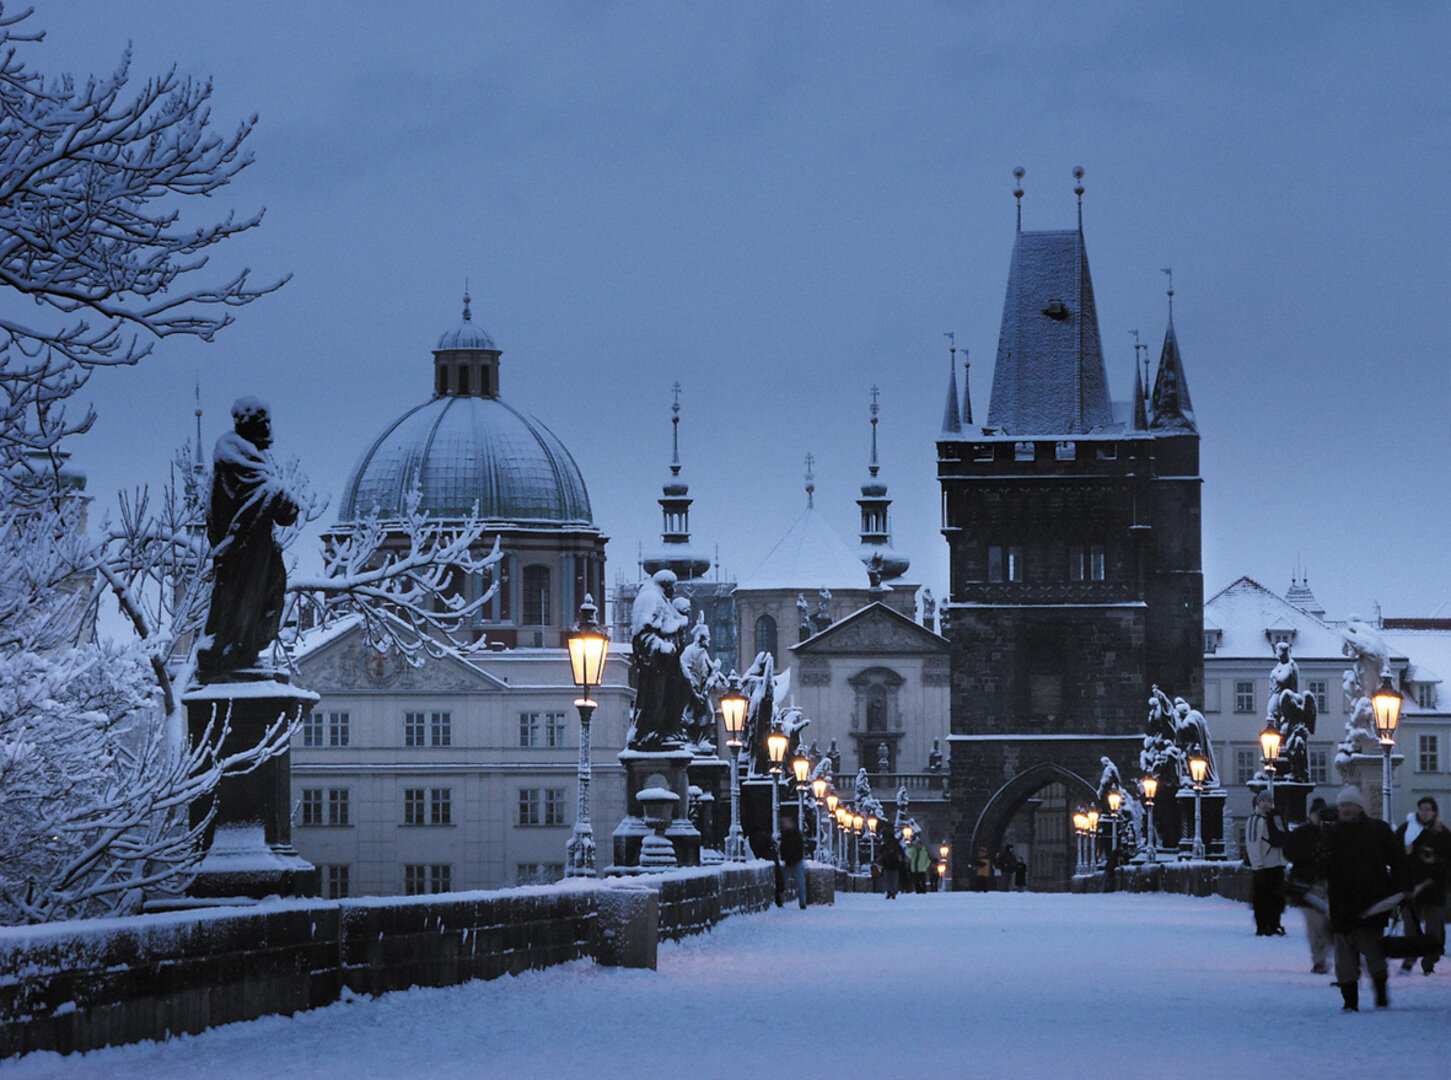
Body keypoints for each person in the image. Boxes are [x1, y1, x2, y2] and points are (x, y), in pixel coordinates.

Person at [198, 397, 300, 676]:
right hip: (241, 549)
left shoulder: (253, 455)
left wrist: (278, 495)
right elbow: (264, 492)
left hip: (257, 548)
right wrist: (278, 493)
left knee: (266, 596)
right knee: (241, 601)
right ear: (249, 423)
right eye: (264, 423)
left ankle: (243, 648)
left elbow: (280, 506)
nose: (269, 429)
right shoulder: (232, 452)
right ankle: (232, 648)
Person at [1325, 786, 1407, 1011]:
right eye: (1342, 805)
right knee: (1345, 960)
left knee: (1374, 954)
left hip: (1371, 904)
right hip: (1341, 905)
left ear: (1359, 807)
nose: (1346, 809)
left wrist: (1399, 889)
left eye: (1350, 805)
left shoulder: (1377, 830)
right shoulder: (1333, 834)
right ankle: (1350, 1002)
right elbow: (1324, 865)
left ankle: (1380, 995)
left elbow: (1397, 860)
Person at [1396, 796, 1451, 975]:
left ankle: (1429, 962)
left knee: (1433, 927)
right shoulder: (1407, 829)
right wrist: (1405, 853)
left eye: (1428, 809)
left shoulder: (1443, 833)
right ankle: (1410, 958)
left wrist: (1435, 860)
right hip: (1411, 885)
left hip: (1434, 886)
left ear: (1434, 812)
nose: (1424, 812)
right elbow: (1394, 853)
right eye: (1422, 808)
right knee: (1410, 926)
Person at [1284, 797, 1333, 974]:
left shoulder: (1331, 834)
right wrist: (1310, 855)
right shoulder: (1301, 834)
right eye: (1316, 815)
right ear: (1310, 815)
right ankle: (1319, 960)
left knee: (1327, 926)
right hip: (1307, 887)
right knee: (1315, 926)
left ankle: (1324, 956)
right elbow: (1288, 852)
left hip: (1327, 885)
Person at [1245, 791, 1288, 935]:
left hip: (1276, 864)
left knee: (1276, 898)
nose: (1266, 804)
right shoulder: (1255, 820)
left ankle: (1274, 924)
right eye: (1263, 801)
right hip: (1264, 866)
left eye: (1268, 801)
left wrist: (1283, 862)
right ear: (1258, 803)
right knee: (1262, 898)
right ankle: (1263, 926)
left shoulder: (1274, 818)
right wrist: (1258, 866)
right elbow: (1252, 844)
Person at [749, 831, 784, 908]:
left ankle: (778, 900)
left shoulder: (755, 838)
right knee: (777, 880)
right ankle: (779, 901)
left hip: (766, 858)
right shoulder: (766, 842)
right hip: (771, 859)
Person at [779, 817, 807, 910]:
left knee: (799, 883)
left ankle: (802, 902)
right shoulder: (788, 834)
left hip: (795, 861)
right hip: (790, 862)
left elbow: (797, 847)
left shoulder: (793, 835)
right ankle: (780, 901)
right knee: (784, 882)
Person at [879, 833, 906, 899]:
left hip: (886, 865)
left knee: (887, 879)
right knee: (894, 880)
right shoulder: (897, 845)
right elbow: (902, 854)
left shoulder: (885, 846)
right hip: (895, 865)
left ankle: (889, 891)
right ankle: (893, 892)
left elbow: (880, 854)